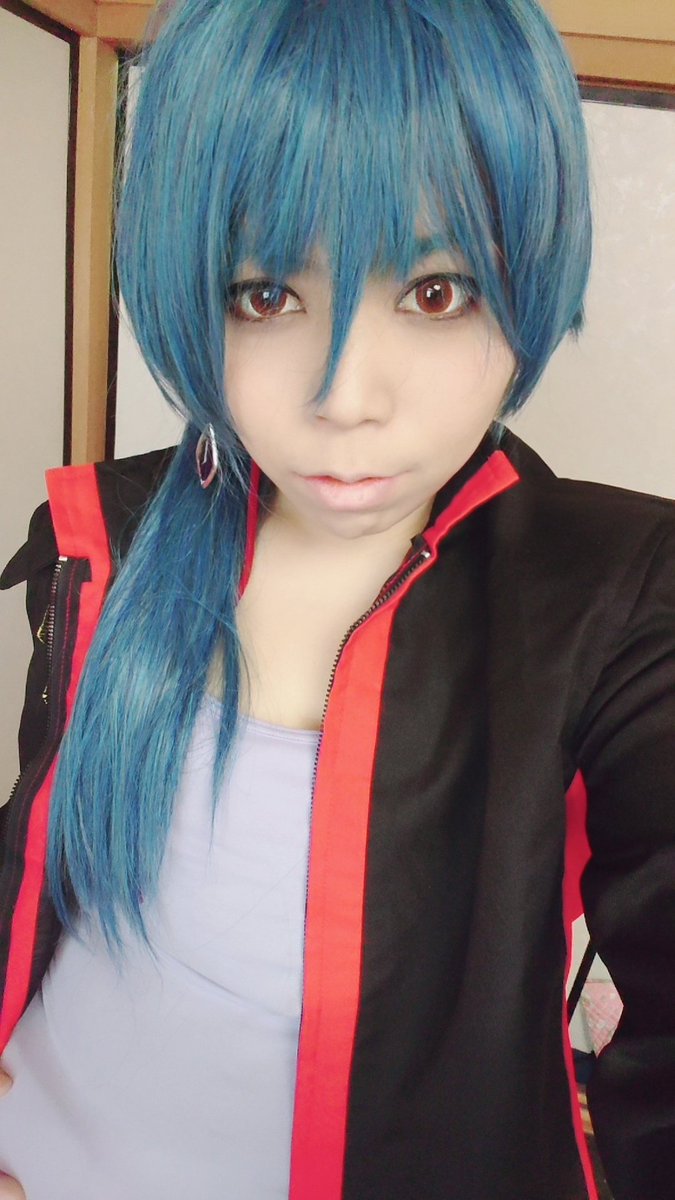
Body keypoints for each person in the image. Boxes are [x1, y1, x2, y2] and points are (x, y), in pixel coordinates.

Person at [0, 0, 673, 1197]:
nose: (345, 397)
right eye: (266, 296)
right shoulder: (110, 535)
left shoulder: (616, 603)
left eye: (436, 290)